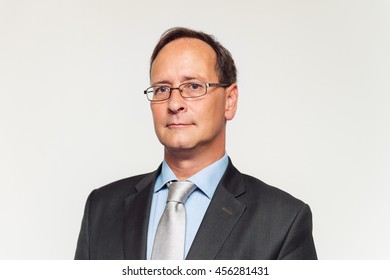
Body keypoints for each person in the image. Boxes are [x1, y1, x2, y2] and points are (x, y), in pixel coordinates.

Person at [75, 27, 317, 260]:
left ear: (229, 101)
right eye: (162, 89)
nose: (174, 103)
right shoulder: (102, 208)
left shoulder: (282, 221)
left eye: (193, 86)